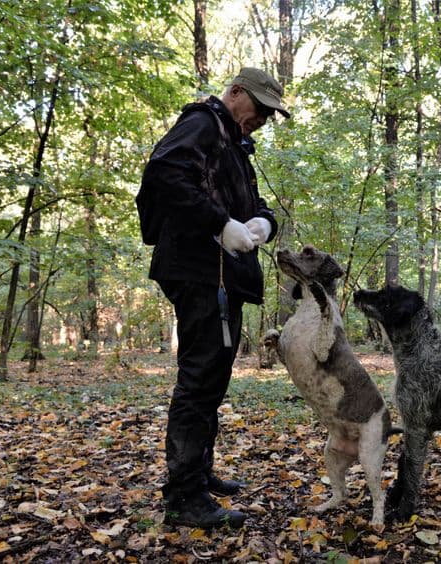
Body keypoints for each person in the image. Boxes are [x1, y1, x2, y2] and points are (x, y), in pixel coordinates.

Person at [139, 67, 290, 529]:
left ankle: (198, 475)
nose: (262, 118)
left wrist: (264, 223)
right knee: (200, 379)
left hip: (223, 277)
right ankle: (184, 497)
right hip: (199, 272)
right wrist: (218, 224)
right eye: (259, 108)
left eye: (269, 114)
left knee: (213, 379)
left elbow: (251, 205)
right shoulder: (204, 123)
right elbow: (164, 174)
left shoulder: (233, 146)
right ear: (236, 92)